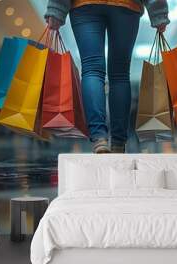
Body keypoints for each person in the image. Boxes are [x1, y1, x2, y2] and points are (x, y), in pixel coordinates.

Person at [45, 0, 170, 153]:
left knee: (91, 70)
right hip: (126, 6)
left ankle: (99, 138)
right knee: (120, 75)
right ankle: (118, 142)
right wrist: (158, 13)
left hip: (85, 6)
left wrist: (56, 9)